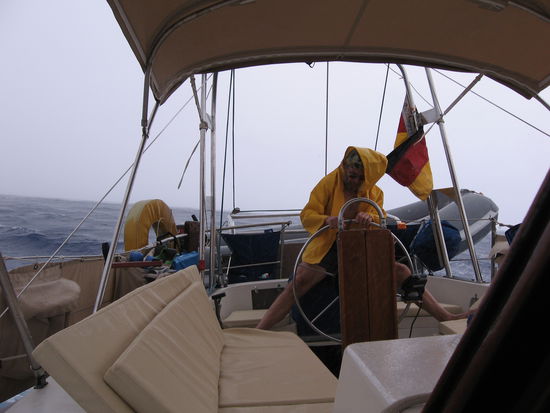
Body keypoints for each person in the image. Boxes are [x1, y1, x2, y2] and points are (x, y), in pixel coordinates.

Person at [256, 146, 470, 332]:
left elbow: (380, 218)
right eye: (351, 174)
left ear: (368, 178)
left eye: (359, 177)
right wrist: (326, 220)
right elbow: (307, 215)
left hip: (359, 247)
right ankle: (261, 329)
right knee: (299, 281)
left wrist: (370, 217)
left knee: (402, 271)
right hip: (328, 245)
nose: (354, 180)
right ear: (345, 168)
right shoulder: (329, 183)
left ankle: (445, 316)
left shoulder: (375, 193)